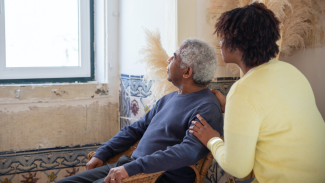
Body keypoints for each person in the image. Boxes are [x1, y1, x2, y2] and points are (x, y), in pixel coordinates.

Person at [189, 2, 325, 183]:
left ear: (238, 42)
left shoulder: (243, 91)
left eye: (223, 36)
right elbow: (270, 117)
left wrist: (212, 140)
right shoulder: (291, 72)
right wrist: (231, 108)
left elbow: (238, 169)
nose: (220, 42)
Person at [57, 38, 224, 183]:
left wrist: (132, 168)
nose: (168, 59)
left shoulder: (206, 107)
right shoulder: (170, 98)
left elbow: (187, 152)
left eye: (174, 57)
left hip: (157, 176)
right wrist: (103, 152)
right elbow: (136, 129)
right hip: (131, 166)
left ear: (187, 72)